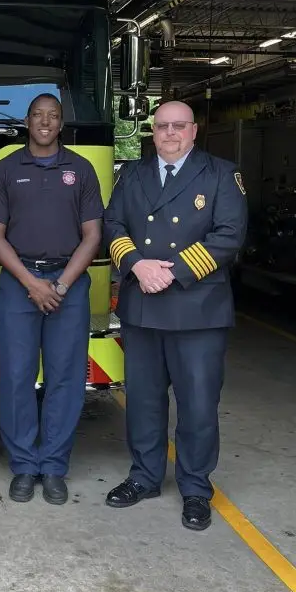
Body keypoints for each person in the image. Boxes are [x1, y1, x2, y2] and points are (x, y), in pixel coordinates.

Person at [104, 100, 248, 532]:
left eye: (178, 126)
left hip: (197, 308)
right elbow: (113, 225)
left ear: (194, 130)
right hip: (143, 307)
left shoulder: (222, 174)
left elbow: (229, 236)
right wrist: (136, 265)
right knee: (143, 402)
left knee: (198, 405)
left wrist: (174, 272)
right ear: (153, 131)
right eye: (162, 126)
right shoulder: (132, 174)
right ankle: (144, 478)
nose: (169, 133)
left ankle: (195, 489)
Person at [0, 94, 103, 505]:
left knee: (66, 379)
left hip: (68, 285)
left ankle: (53, 465)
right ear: (27, 120)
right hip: (20, 283)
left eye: (53, 116)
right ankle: (23, 465)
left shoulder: (82, 169)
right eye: (39, 115)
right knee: (16, 377)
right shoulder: (5, 169)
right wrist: (31, 283)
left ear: (61, 123)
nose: (45, 122)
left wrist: (62, 285)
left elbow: (92, 235)